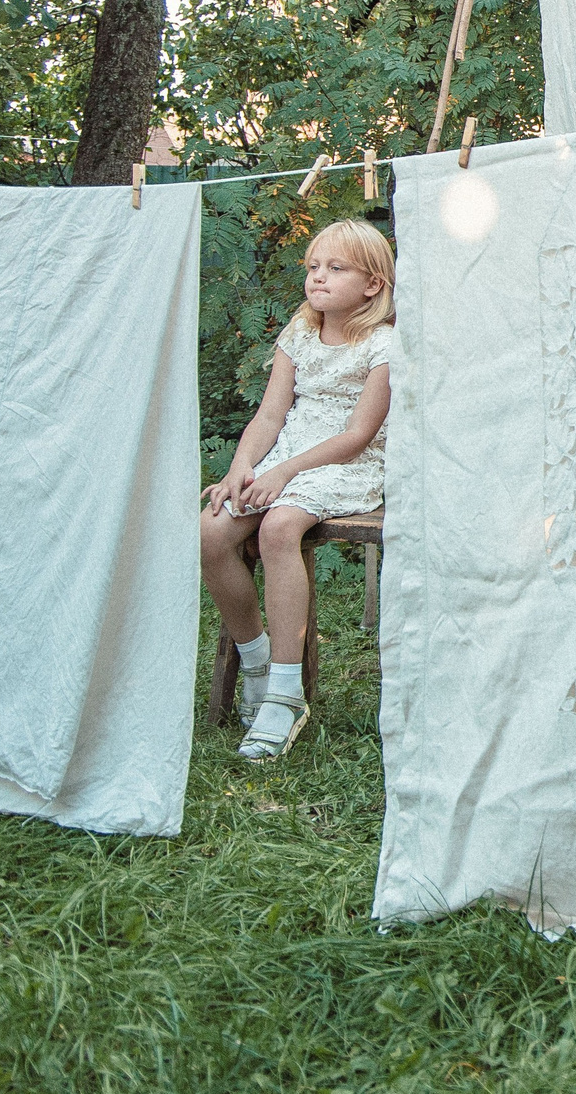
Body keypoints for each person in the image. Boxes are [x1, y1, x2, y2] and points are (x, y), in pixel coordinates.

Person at [201, 219, 396, 762]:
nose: (318, 278)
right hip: (285, 458)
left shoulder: (383, 343)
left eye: (336, 268)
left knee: (281, 525)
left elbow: (358, 435)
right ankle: (255, 656)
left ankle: (286, 694)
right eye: (312, 267)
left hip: (346, 463)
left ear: (373, 284)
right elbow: (269, 415)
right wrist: (243, 468)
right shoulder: (299, 333)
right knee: (212, 529)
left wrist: (283, 475)